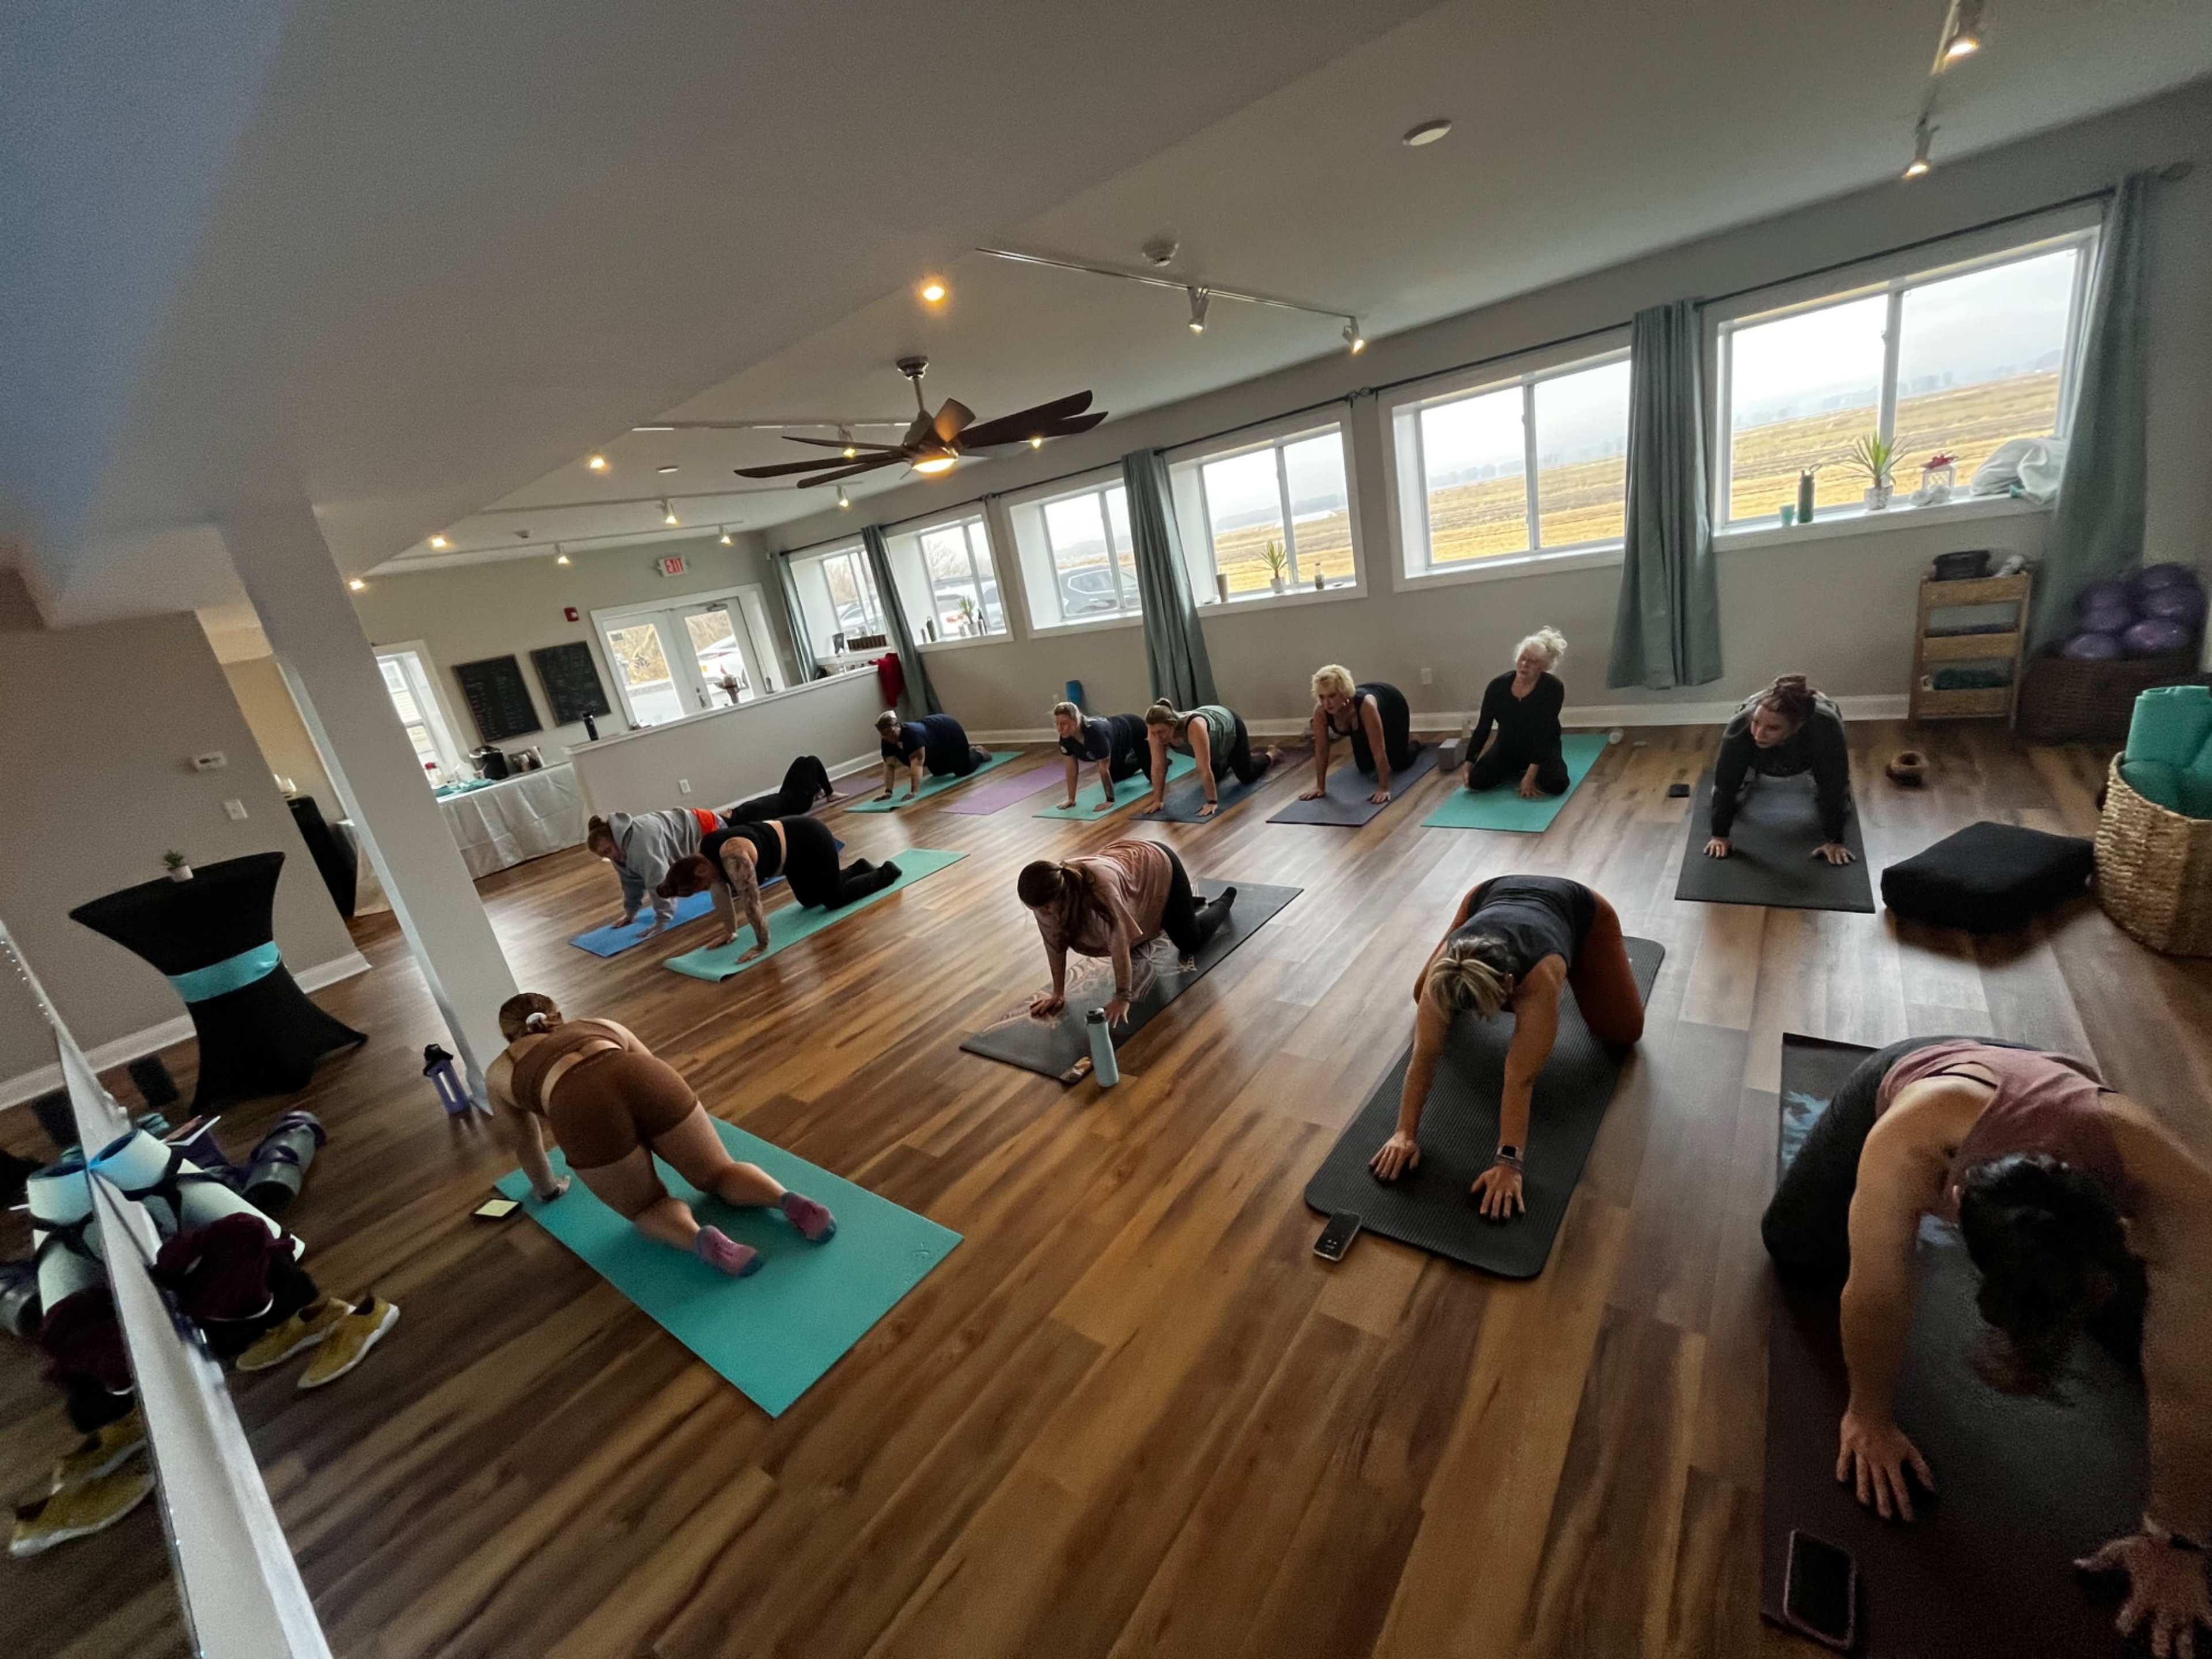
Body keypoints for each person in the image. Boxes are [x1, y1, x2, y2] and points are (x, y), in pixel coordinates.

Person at [1761, 1037, 2212, 1653]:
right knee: (1795, 1244)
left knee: (2164, 1324)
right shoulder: (1910, 1137)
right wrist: (1869, 1416)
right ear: (1953, 1199)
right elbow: (1876, 1293)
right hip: (1926, 1070)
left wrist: (2177, 1537)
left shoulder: (2166, 1177)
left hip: (2052, 1093)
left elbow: (2190, 1372)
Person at [487, 994, 838, 1277]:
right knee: (719, 1172)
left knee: (648, 1206)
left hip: (578, 1103)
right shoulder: (601, 1025)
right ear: (559, 1015)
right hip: (644, 1075)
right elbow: (650, 1071)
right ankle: (786, 1200)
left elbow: (526, 1142)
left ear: (508, 1037)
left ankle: (700, 1239)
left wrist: (548, 1190)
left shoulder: (501, 1069)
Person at [1368, 876, 1644, 1219]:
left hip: (1580, 910)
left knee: (1622, 1031)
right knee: (1420, 992)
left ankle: (1589, 963)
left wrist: (1508, 1163)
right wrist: (1404, 1133)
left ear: (1510, 983)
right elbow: (1424, 1056)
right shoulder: (1446, 967)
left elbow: (1519, 1079)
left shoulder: (1539, 974)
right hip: (1493, 893)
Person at [1017, 841, 1237, 1027]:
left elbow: (1119, 945)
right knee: (1142, 934)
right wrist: (1058, 993)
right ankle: (1179, 907)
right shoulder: (1045, 901)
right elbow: (1054, 944)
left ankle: (1221, 901)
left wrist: (1122, 997)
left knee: (1190, 941)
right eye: (1035, 909)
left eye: (1045, 908)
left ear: (1062, 893)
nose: (1042, 914)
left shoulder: (1101, 896)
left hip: (1157, 863)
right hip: (1133, 876)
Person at [658, 817, 900, 961]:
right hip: (791, 858)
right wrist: (730, 932)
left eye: (701, 886)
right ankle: (859, 868)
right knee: (809, 900)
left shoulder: (733, 857)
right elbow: (720, 895)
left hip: (810, 840)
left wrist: (761, 945)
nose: (706, 889)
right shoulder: (705, 857)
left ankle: (886, 873)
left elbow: (752, 901)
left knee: (833, 899)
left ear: (700, 870)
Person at [1705, 673, 1855, 866]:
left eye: (1772, 728)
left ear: (1797, 727)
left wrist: (1835, 841)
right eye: (1756, 723)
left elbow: (1834, 787)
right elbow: (1725, 784)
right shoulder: (1741, 726)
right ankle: (1757, 759)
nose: (1759, 734)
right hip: (1756, 737)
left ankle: (1808, 764)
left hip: (1810, 738)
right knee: (1728, 792)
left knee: (1835, 797)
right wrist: (1719, 836)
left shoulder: (1826, 728)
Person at [1466, 628, 1570, 798]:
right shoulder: (1497, 686)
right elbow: (1484, 726)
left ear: (1544, 667)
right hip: (1508, 746)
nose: (1524, 665)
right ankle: (1515, 768)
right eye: (1523, 658)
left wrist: (1530, 776)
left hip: (1543, 747)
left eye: (1533, 662)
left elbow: (1544, 734)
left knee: (1557, 785)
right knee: (1476, 782)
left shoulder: (1553, 688)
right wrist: (1469, 761)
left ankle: (1528, 769)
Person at [587, 808, 723, 934]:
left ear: (615, 838)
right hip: (691, 830)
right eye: (604, 855)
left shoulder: (640, 844)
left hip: (705, 825)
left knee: (721, 878)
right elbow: (630, 883)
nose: (611, 857)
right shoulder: (618, 852)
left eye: (608, 851)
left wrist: (662, 920)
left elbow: (658, 881)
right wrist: (630, 913)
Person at [1139, 700, 1275, 819]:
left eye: (1161, 732)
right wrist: (1157, 801)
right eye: (1153, 732)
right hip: (1214, 746)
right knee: (1215, 776)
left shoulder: (1194, 726)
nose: (1158, 737)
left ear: (1173, 725)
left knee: (1247, 775)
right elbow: (1158, 768)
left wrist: (1212, 802)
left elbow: (1203, 769)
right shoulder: (1155, 732)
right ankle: (1233, 758)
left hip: (1229, 725)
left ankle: (1272, 754)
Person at [1304, 666, 1419, 805]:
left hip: (1392, 705)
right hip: (1360, 722)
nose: (1326, 703)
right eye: (1322, 697)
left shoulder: (1366, 706)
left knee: (1399, 763)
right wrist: (1320, 787)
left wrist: (1384, 789)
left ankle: (1414, 741)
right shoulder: (1321, 711)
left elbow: (1378, 749)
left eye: (1332, 696)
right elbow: (1322, 750)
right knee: (1365, 767)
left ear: (1344, 693)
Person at [1051, 701, 1149, 810]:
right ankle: (1135, 757)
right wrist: (1071, 799)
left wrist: (1110, 800)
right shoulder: (1065, 738)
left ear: (1076, 721)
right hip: (1115, 746)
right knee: (1116, 777)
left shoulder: (1095, 734)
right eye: (1057, 724)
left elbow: (1103, 769)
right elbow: (1071, 770)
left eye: (1064, 724)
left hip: (1134, 729)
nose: (1059, 729)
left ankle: (1147, 756)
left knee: (1152, 776)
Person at [876, 710, 988, 801]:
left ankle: (978, 752)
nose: (889, 736)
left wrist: (914, 792)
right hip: (935, 745)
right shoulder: (886, 740)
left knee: (963, 771)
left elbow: (917, 764)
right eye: (885, 734)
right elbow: (889, 765)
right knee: (938, 772)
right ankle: (960, 756)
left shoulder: (913, 735)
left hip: (950, 732)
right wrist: (888, 792)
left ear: (898, 725)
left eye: (891, 731)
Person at [728, 755, 836, 820]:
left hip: (784, 795)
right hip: (796, 805)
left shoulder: (739, 811)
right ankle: (830, 793)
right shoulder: (741, 816)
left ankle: (818, 791)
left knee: (801, 760)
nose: (727, 811)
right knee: (812, 761)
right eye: (727, 813)